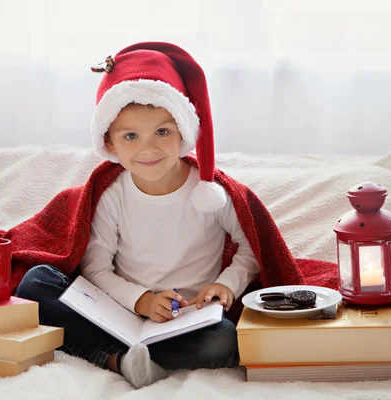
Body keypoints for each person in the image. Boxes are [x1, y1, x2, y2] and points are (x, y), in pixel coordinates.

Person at [17, 42, 260, 389]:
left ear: (184, 132)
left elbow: (251, 248)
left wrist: (226, 285)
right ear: (111, 144)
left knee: (225, 340)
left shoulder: (210, 193)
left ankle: (128, 355)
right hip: (119, 311)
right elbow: (95, 268)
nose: (148, 148)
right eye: (131, 136)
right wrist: (142, 301)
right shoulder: (112, 194)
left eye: (162, 131)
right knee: (36, 282)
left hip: (186, 318)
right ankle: (119, 358)